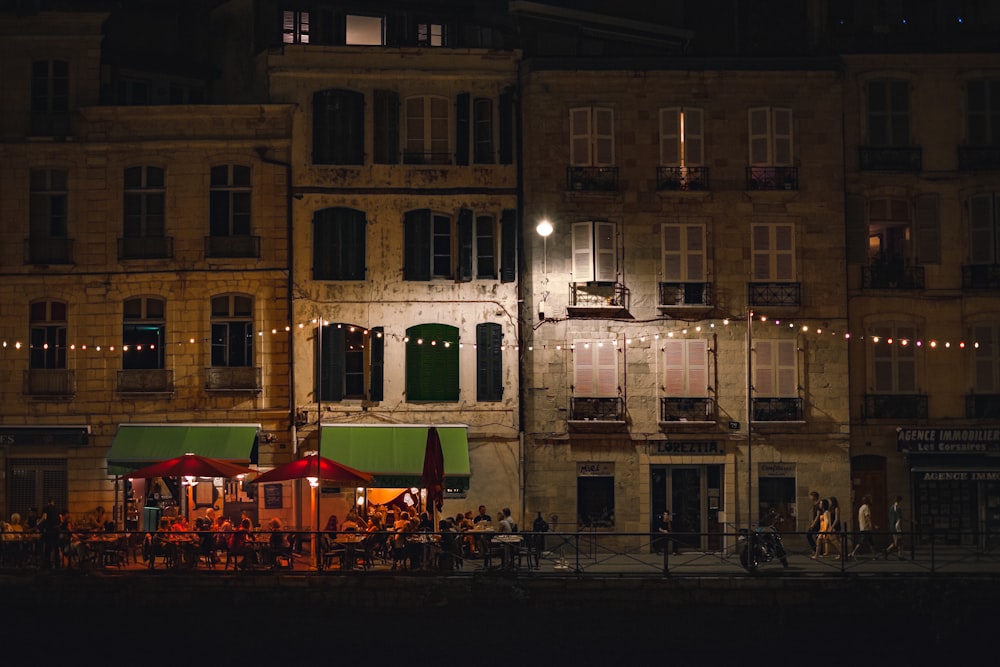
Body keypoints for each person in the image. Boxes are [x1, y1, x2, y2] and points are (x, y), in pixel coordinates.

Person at [849, 495, 877, 559]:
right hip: (866, 528)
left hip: (863, 527)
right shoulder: (866, 508)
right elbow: (868, 517)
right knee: (861, 542)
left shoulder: (861, 507)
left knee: (871, 542)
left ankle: (875, 555)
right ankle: (853, 553)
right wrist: (873, 525)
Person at [39, 499, 61, 568]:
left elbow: (44, 518)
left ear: (48, 503)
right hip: (56, 531)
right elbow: (60, 520)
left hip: (49, 530)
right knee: (56, 547)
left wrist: (38, 523)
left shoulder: (46, 508)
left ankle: (47, 563)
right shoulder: (57, 509)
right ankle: (57, 564)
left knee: (48, 547)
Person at [885, 495, 905, 560]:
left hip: (892, 527)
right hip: (897, 528)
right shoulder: (898, 508)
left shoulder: (891, 508)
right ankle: (887, 551)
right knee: (898, 543)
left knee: (898, 542)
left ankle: (899, 555)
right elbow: (900, 518)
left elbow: (889, 518)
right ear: (900, 501)